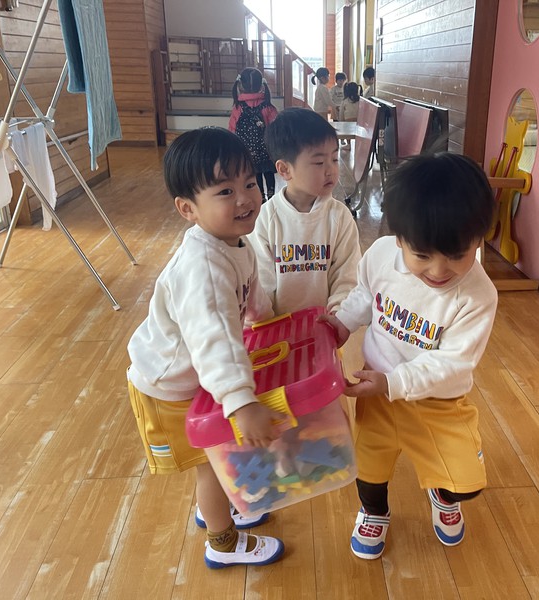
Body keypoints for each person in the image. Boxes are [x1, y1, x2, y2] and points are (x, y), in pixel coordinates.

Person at [322, 152, 498, 560]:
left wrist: (394, 382)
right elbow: (366, 293)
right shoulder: (382, 254)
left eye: (457, 255)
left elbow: (453, 363)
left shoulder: (477, 296)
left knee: (465, 483)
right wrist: (343, 323)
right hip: (377, 394)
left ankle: (443, 495)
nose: (438, 270)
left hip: (438, 403)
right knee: (369, 467)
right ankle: (374, 512)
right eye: (422, 255)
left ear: (479, 240)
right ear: (399, 239)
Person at [126, 127, 285, 570]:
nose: (245, 198)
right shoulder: (202, 268)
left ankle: (219, 509)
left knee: (218, 459)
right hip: (168, 387)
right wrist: (241, 402)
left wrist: (269, 323)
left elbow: (251, 296)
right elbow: (214, 340)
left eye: (249, 183)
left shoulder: (236, 242)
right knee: (215, 462)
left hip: (195, 378)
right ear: (187, 209)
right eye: (225, 191)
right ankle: (222, 540)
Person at [248, 107, 361, 315]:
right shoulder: (265, 219)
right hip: (276, 326)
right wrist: (266, 322)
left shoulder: (340, 217)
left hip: (324, 325)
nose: (331, 170)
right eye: (319, 162)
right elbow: (262, 285)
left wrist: (338, 315)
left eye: (334, 159)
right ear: (284, 169)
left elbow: (346, 277)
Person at [228, 67, 279, 202]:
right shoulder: (268, 107)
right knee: (269, 173)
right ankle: (271, 196)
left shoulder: (238, 108)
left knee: (256, 174)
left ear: (240, 86)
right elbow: (276, 129)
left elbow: (232, 130)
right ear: (262, 86)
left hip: (247, 152)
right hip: (267, 151)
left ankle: (260, 197)